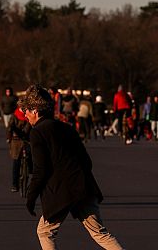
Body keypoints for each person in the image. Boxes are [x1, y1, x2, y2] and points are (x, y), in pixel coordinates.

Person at [19, 84, 124, 250]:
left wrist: (30, 197)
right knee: (100, 233)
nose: (25, 115)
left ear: (35, 111)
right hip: (83, 187)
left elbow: (41, 170)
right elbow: (87, 161)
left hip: (60, 192)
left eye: (26, 110)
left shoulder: (37, 132)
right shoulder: (67, 128)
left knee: (45, 232)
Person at [8, 108, 31, 192]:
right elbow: (10, 128)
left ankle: (16, 185)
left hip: (24, 140)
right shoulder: (15, 116)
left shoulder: (28, 116)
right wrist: (9, 138)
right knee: (16, 162)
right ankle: (15, 184)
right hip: (18, 141)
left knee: (28, 160)